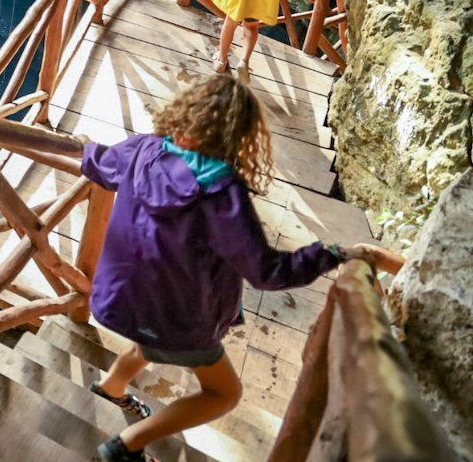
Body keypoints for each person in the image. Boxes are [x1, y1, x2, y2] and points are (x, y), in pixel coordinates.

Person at [77, 74, 399, 462]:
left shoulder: (142, 150)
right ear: (238, 136)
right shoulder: (220, 190)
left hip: (115, 300)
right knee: (224, 394)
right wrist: (332, 253)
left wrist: (83, 148)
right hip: (174, 320)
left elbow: (95, 163)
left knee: (153, 334)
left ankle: (111, 387)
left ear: (185, 113)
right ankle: (125, 447)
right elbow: (266, 273)